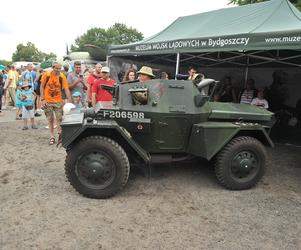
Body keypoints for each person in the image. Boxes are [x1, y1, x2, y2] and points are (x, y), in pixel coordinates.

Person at [40, 62, 72, 145]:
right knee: (50, 119)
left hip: (58, 101)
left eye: (59, 68)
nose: (58, 70)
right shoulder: (47, 75)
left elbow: (66, 89)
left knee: (59, 119)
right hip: (48, 100)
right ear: (53, 68)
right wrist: (42, 99)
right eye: (56, 68)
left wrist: (70, 100)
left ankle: (60, 135)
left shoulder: (62, 76)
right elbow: (42, 86)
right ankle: (52, 137)